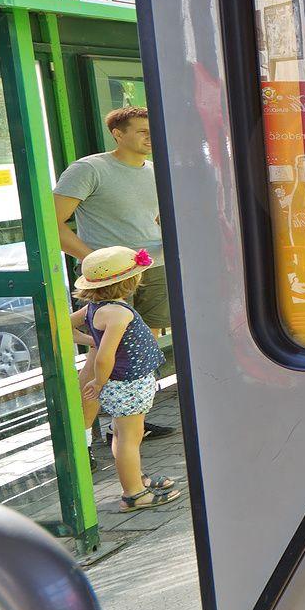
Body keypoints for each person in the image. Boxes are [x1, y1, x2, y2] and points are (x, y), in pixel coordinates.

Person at [54, 106, 173, 437]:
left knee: (137, 354)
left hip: (154, 269)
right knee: (99, 355)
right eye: (142, 131)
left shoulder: (156, 171)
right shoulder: (89, 169)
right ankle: (81, 442)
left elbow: (151, 218)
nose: (150, 137)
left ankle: (127, 426)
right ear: (118, 134)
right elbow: (52, 223)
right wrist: (97, 261)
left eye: (153, 130)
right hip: (109, 280)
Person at [70, 246, 177, 511]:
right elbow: (105, 357)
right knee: (131, 437)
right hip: (128, 384)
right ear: (130, 281)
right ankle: (134, 493)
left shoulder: (95, 308)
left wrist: (89, 340)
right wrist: (98, 381)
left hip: (121, 383)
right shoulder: (119, 313)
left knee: (121, 434)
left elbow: (64, 325)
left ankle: (135, 478)